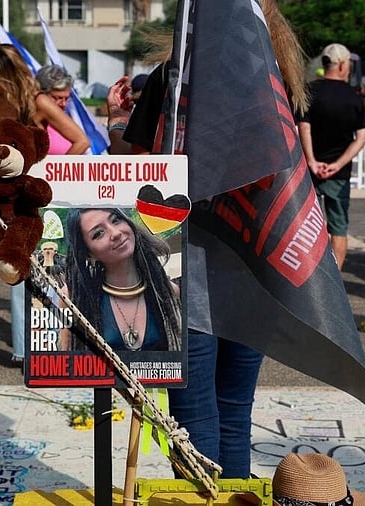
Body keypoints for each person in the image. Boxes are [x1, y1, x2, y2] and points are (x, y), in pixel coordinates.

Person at [104, 0, 308, 478]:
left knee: (193, 422)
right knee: (235, 416)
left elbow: (141, 171)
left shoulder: (173, 79)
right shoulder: (279, 78)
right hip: (256, 272)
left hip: (186, 272)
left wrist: (117, 122)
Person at [0, 44, 89, 375]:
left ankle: (25, 349)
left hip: (24, 196)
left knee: (22, 268)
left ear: (5, 71)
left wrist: (48, 176)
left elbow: (80, 140)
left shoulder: (37, 102)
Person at [59, 208, 181, 352]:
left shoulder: (169, 292)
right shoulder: (71, 297)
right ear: (88, 253)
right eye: (98, 233)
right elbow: (67, 356)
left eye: (116, 220)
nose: (116, 233)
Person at [296, 42, 365, 271]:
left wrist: (312, 160)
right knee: (338, 227)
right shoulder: (354, 97)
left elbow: (303, 127)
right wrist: (337, 165)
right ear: (341, 65)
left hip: (310, 171)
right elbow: (362, 137)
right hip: (339, 173)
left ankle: (311, 274)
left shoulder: (309, 91)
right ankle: (336, 278)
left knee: (307, 224)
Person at [35, 64, 78, 155]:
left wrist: (61, 167)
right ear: (41, 95)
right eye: (57, 98)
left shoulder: (69, 121)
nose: (64, 104)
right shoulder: (32, 121)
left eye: (66, 99)